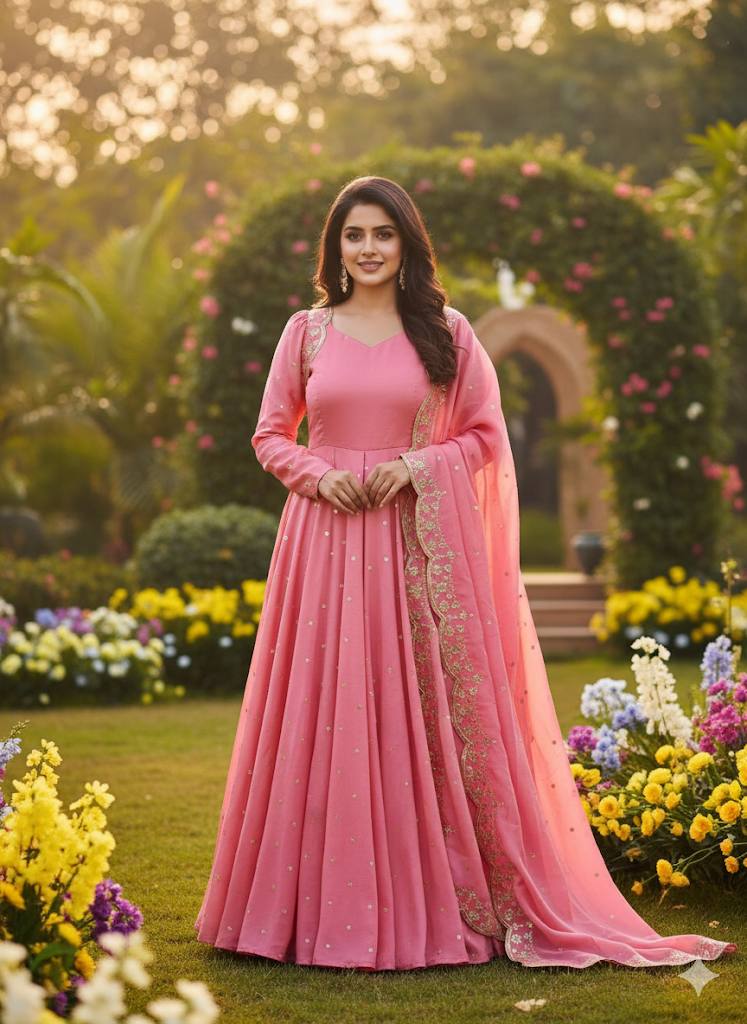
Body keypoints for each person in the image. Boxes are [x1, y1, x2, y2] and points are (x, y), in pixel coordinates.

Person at [194, 175, 737, 970]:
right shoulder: (305, 333)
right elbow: (271, 433)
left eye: (383, 234)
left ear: (407, 244)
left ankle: (434, 899)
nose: (369, 248)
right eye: (354, 235)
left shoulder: (445, 332)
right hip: (322, 546)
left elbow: (483, 435)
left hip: (412, 551)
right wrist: (315, 474)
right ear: (335, 248)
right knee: (322, 709)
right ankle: (292, 911)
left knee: (412, 717)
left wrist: (416, 463)